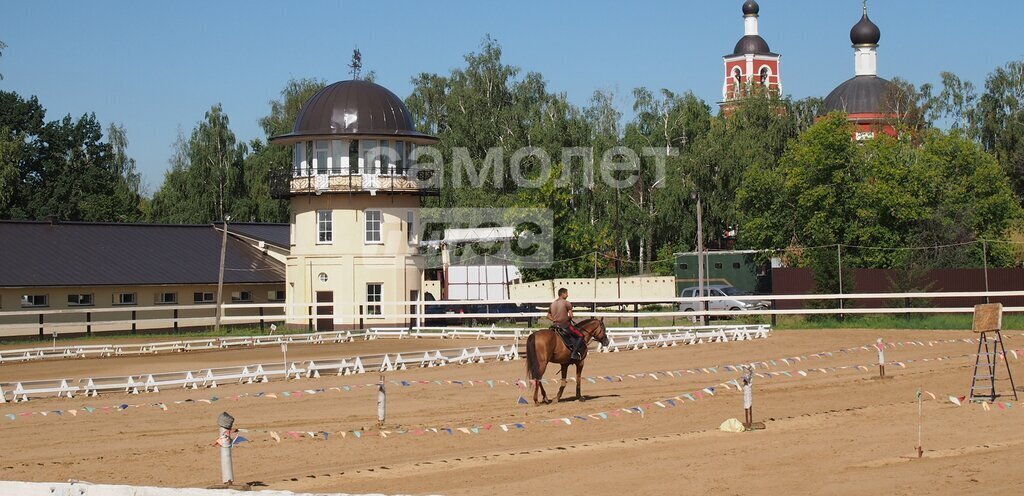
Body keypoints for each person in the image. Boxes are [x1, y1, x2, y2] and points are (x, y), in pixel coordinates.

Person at [548, 287, 584, 360]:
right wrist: (569, 318)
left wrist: (554, 320)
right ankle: (574, 353)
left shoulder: (553, 304)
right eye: (567, 293)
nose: (567, 295)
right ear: (563, 294)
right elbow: (571, 315)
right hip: (564, 325)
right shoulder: (566, 303)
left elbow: (548, 315)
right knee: (581, 335)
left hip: (555, 325)